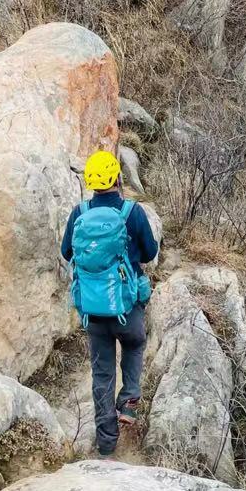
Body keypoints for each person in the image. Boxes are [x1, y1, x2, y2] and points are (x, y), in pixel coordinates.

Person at [61, 151, 158, 456]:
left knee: (102, 372)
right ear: (117, 177)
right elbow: (149, 253)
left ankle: (106, 442)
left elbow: (66, 253)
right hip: (126, 305)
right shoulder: (132, 212)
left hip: (93, 309)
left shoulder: (79, 213)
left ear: (90, 182)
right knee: (135, 344)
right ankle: (128, 401)